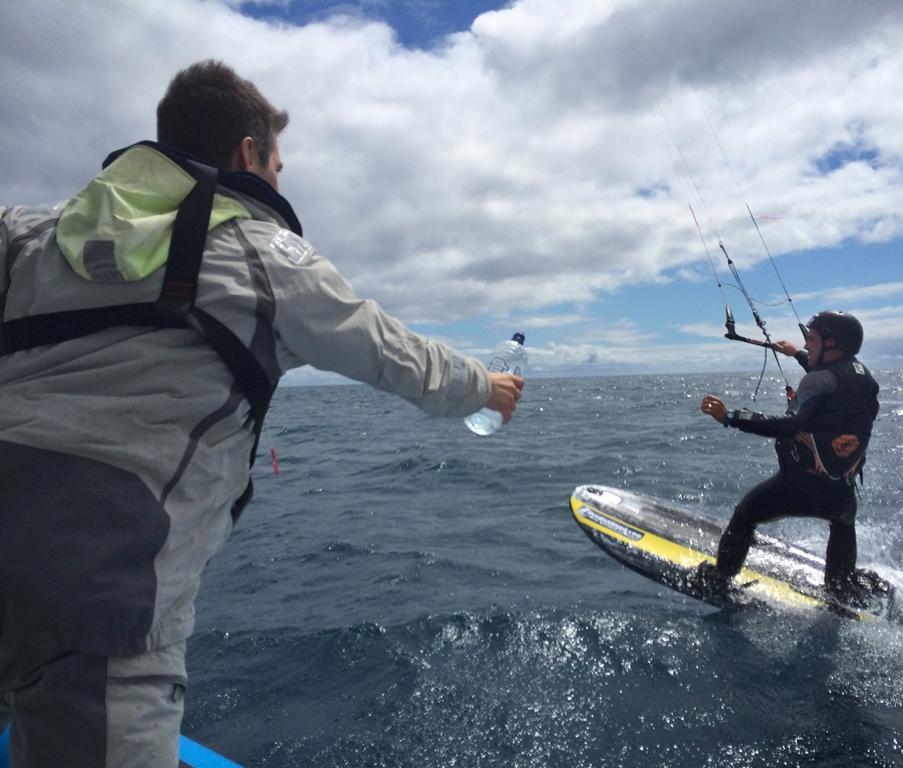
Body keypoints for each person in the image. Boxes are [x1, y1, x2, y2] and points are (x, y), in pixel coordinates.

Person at [0, 60, 523, 768]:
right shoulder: (268, 256)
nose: (279, 180)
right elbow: (392, 351)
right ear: (249, 155)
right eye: (279, 164)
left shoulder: (29, 235)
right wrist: (486, 387)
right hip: (103, 586)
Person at [698, 311, 880, 602]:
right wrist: (796, 354)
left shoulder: (817, 382)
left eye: (812, 340)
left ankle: (720, 580)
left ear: (833, 345)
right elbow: (833, 379)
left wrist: (730, 416)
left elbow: (789, 426)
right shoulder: (863, 377)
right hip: (842, 494)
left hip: (800, 488)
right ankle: (840, 589)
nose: (807, 345)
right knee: (843, 524)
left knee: (745, 514)